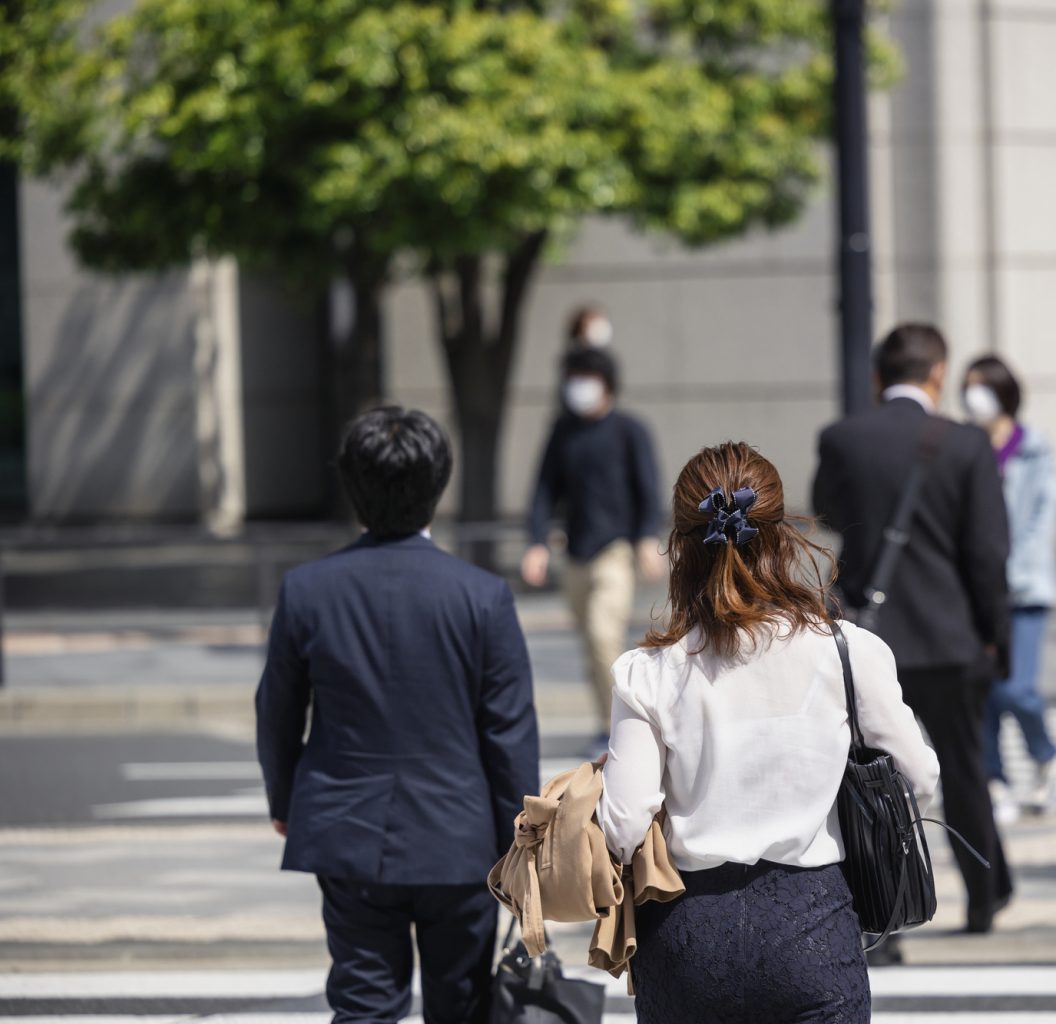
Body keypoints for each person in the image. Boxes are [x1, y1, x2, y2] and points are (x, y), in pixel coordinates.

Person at [597, 442, 939, 1023]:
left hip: (687, 933)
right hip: (814, 926)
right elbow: (920, 777)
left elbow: (624, 825)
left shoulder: (648, 673)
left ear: (682, 547)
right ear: (781, 536)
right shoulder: (847, 652)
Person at [256, 408, 539, 1024]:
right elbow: (508, 733)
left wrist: (285, 801)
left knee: (363, 1004)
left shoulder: (306, 589)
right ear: (438, 485)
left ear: (351, 485)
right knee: (462, 1004)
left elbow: (277, 711)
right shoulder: (481, 595)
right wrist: (522, 840)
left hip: (347, 830)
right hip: (460, 839)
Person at [813, 323, 1013, 941]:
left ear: (878, 377)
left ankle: (881, 912)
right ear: (939, 373)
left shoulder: (844, 438)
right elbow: (987, 552)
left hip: (869, 638)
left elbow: (825, 512)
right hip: (950, 636)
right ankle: (983, 895)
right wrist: (994, 635)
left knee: (868, 776)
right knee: (962, 768)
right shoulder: (966, 445)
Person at [522, 348, 665, 750]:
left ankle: (622, 725)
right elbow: (543, 490)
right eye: (573, 376)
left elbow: (649, 489)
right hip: (574, 555)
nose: (578, 386)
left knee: (604, 634)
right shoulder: (562, 432)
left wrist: (646, 538)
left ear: (606, 383)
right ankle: (609, 722)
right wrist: (536, 542)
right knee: (591, 644)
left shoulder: (629, 430)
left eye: (586, 376)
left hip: (615, 553)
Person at [961, 355, 1056, 821]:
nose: (973, 396)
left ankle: (1048, 754)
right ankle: (995, 779)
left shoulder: (1034, 448)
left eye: (981, 386)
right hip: (977, 590)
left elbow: (1041, 520)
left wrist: (1009, 574)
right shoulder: (966, 446)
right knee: (984, 691)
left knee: (1017, 689)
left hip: (1024, 590)